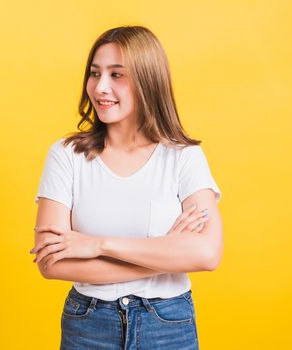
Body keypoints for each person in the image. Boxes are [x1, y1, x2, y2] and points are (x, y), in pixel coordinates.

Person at [30, 26, 223, 350]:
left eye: (116, 74)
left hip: (167, 324)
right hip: (89, 324)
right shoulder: (66, 155)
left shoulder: (184, 157)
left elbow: (206, 253)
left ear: (148, 80)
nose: (100, 87)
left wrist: (98, 245)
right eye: (95, 73)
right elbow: (51, 262)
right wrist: (164, 252)